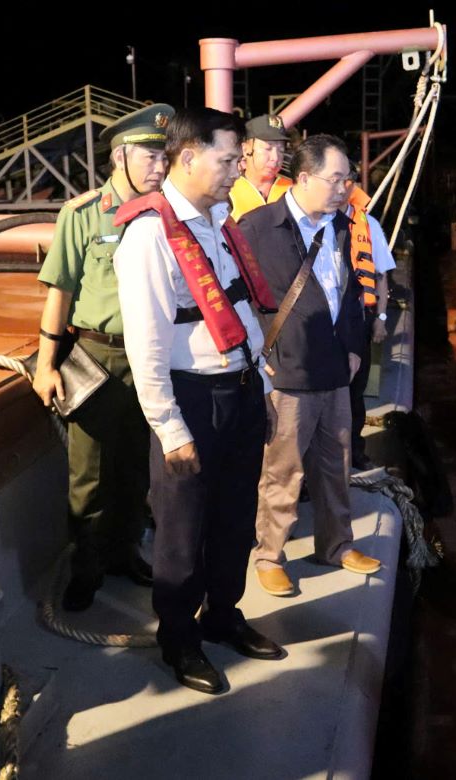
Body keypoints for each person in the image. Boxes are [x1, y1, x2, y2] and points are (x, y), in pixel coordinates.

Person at [113, 107, 285, 695]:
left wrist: (261, 387)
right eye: (229, 157)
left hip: (239, 392)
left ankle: (222, 616)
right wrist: (170, 428)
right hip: (192, 400)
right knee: (182, 533)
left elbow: (239, 314)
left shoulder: (218, 223)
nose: (238, 167)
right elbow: (147, 343)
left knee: (236, 520)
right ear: (188, 157)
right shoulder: (149, 236)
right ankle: (179, 639)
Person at [32, 103, 174, 609]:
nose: (160, 166)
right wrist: (47, 365)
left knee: (138, 466)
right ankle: (87, 565)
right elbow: (61, 291)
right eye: (150, 157)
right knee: (88, 474)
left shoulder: (164, 213)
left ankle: (125, 552)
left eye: (164, 157)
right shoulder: (82, 213)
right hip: (97, 355)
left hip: (149, 357)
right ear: (120, 157)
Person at [238, 134, 377, 598]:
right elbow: (236, 298)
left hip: (336, 369)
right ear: (303, 178)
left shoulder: (340, 226)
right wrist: (260, 356)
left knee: (335, 465)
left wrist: (354, 346)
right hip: (288, 371)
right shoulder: (258, 227)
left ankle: (336, 544)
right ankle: (270, 555)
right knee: (283, 470)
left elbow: (353, 292)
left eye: (347, 179)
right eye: (335, 179)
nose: (344, 188)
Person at [342, 177, 395, 469]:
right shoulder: (318, 220)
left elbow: (381, 276)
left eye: (345, 181)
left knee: (356, 389)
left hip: (362, 319)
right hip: (329, 322)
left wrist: (381, 319)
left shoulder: (369, 225)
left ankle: (355, 450)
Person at [228, 114, 292, 220]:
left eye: (281, 150)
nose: (275, 158)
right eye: (268, 148)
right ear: (246, 149)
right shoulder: (228, 192)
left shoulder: (292, 191)